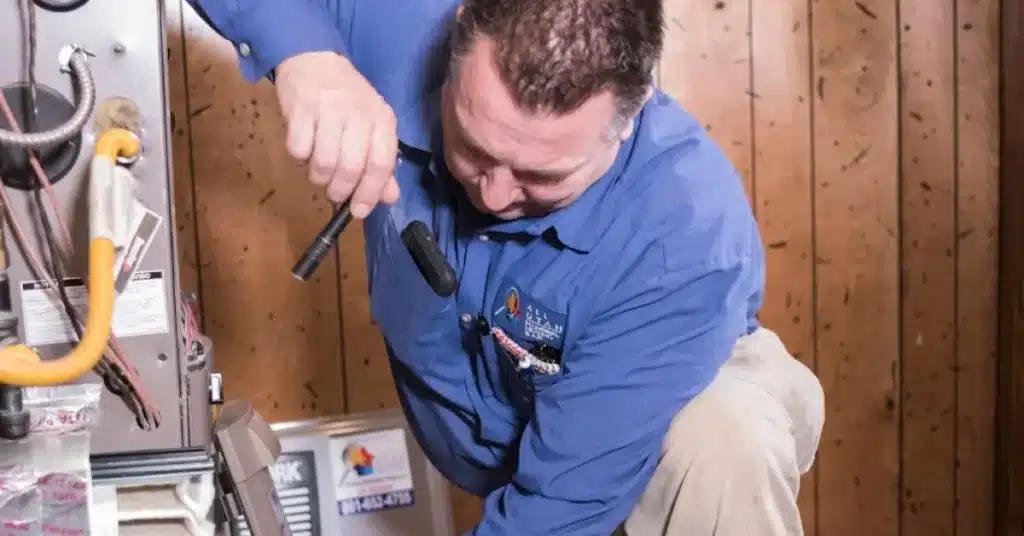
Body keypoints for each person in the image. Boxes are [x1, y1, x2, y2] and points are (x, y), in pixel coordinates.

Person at [185, 0, 826, 534]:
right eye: (472, 144)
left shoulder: (683, 232)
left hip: (653, 408)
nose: (490, 197)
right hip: (505, 445)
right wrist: (307, 56)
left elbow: (557, 510)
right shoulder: (406, 29)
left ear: (630, 119)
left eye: (541, 176)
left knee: (720, 441)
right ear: (459, 32)